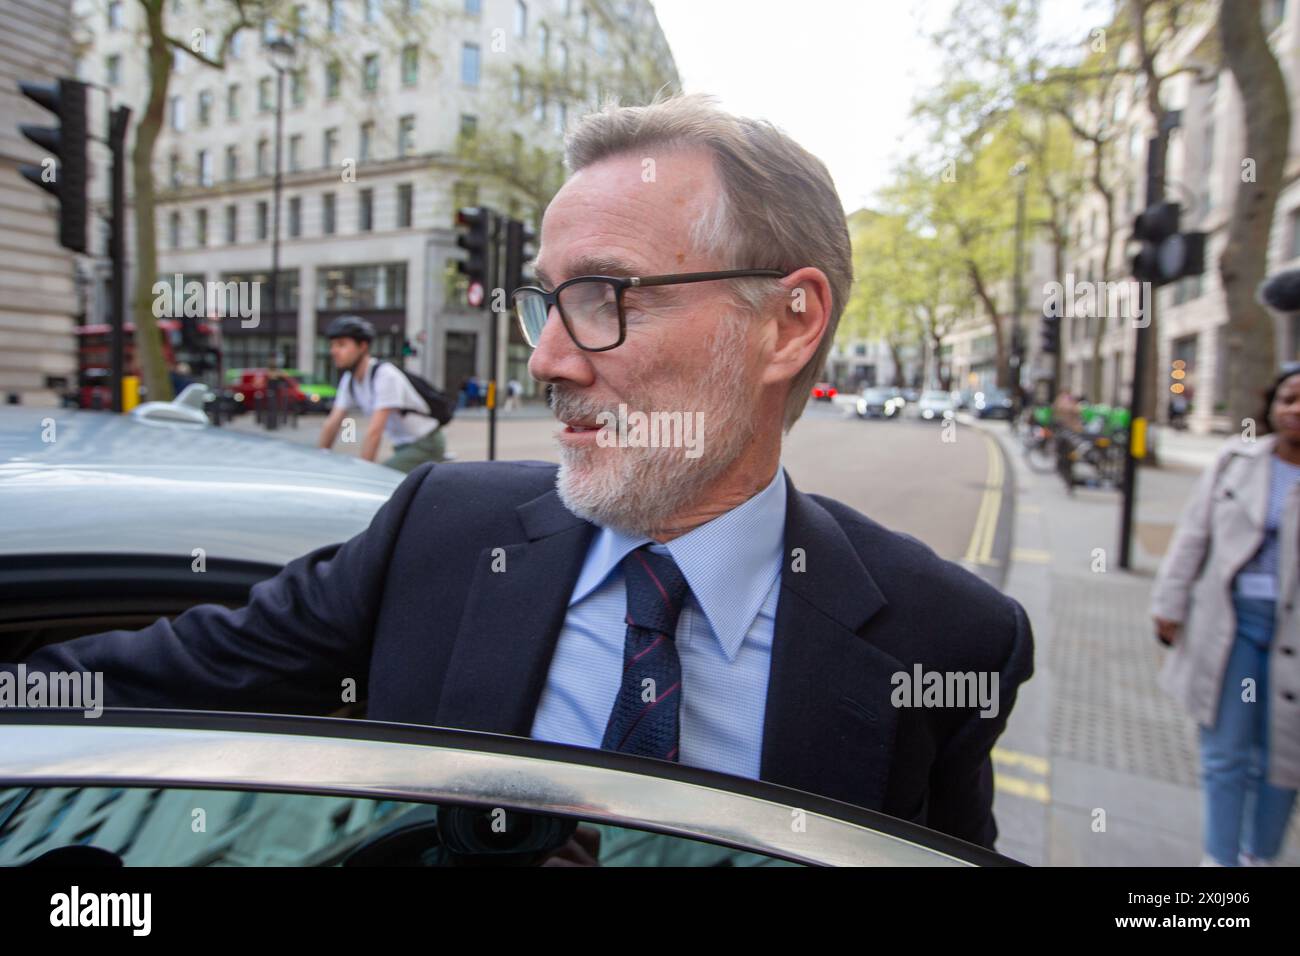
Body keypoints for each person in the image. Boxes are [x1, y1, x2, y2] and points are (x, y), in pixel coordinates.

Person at [6, 95, 1032, 848]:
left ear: (786, 323)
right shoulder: (438, 532)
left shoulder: (943, 637)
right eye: (547, 299)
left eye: (605, 295)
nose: (545, 358)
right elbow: (130, 686)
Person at [1151, 368, 1300, 866]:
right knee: (1224, 749)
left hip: (1292, 634)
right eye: (1288, 398)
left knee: (1281, 759)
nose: (1295, 409)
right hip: (1230, 626)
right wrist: (1170, 603)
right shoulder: (1236, 461)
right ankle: (1219, 859)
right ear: (1271, 405)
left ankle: (1260, 854)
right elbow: (1194, 535)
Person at [316, 315, 446, 473]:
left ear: (362, 346)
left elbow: (374, 432)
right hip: (402, 446)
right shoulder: (349, 380)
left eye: (341, 345)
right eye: (332, 345)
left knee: (380, 478)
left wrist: (362, 475)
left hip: (426, 444)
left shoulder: (384, 375)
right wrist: (318, 461)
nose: (334, 351)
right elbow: (333, 422)